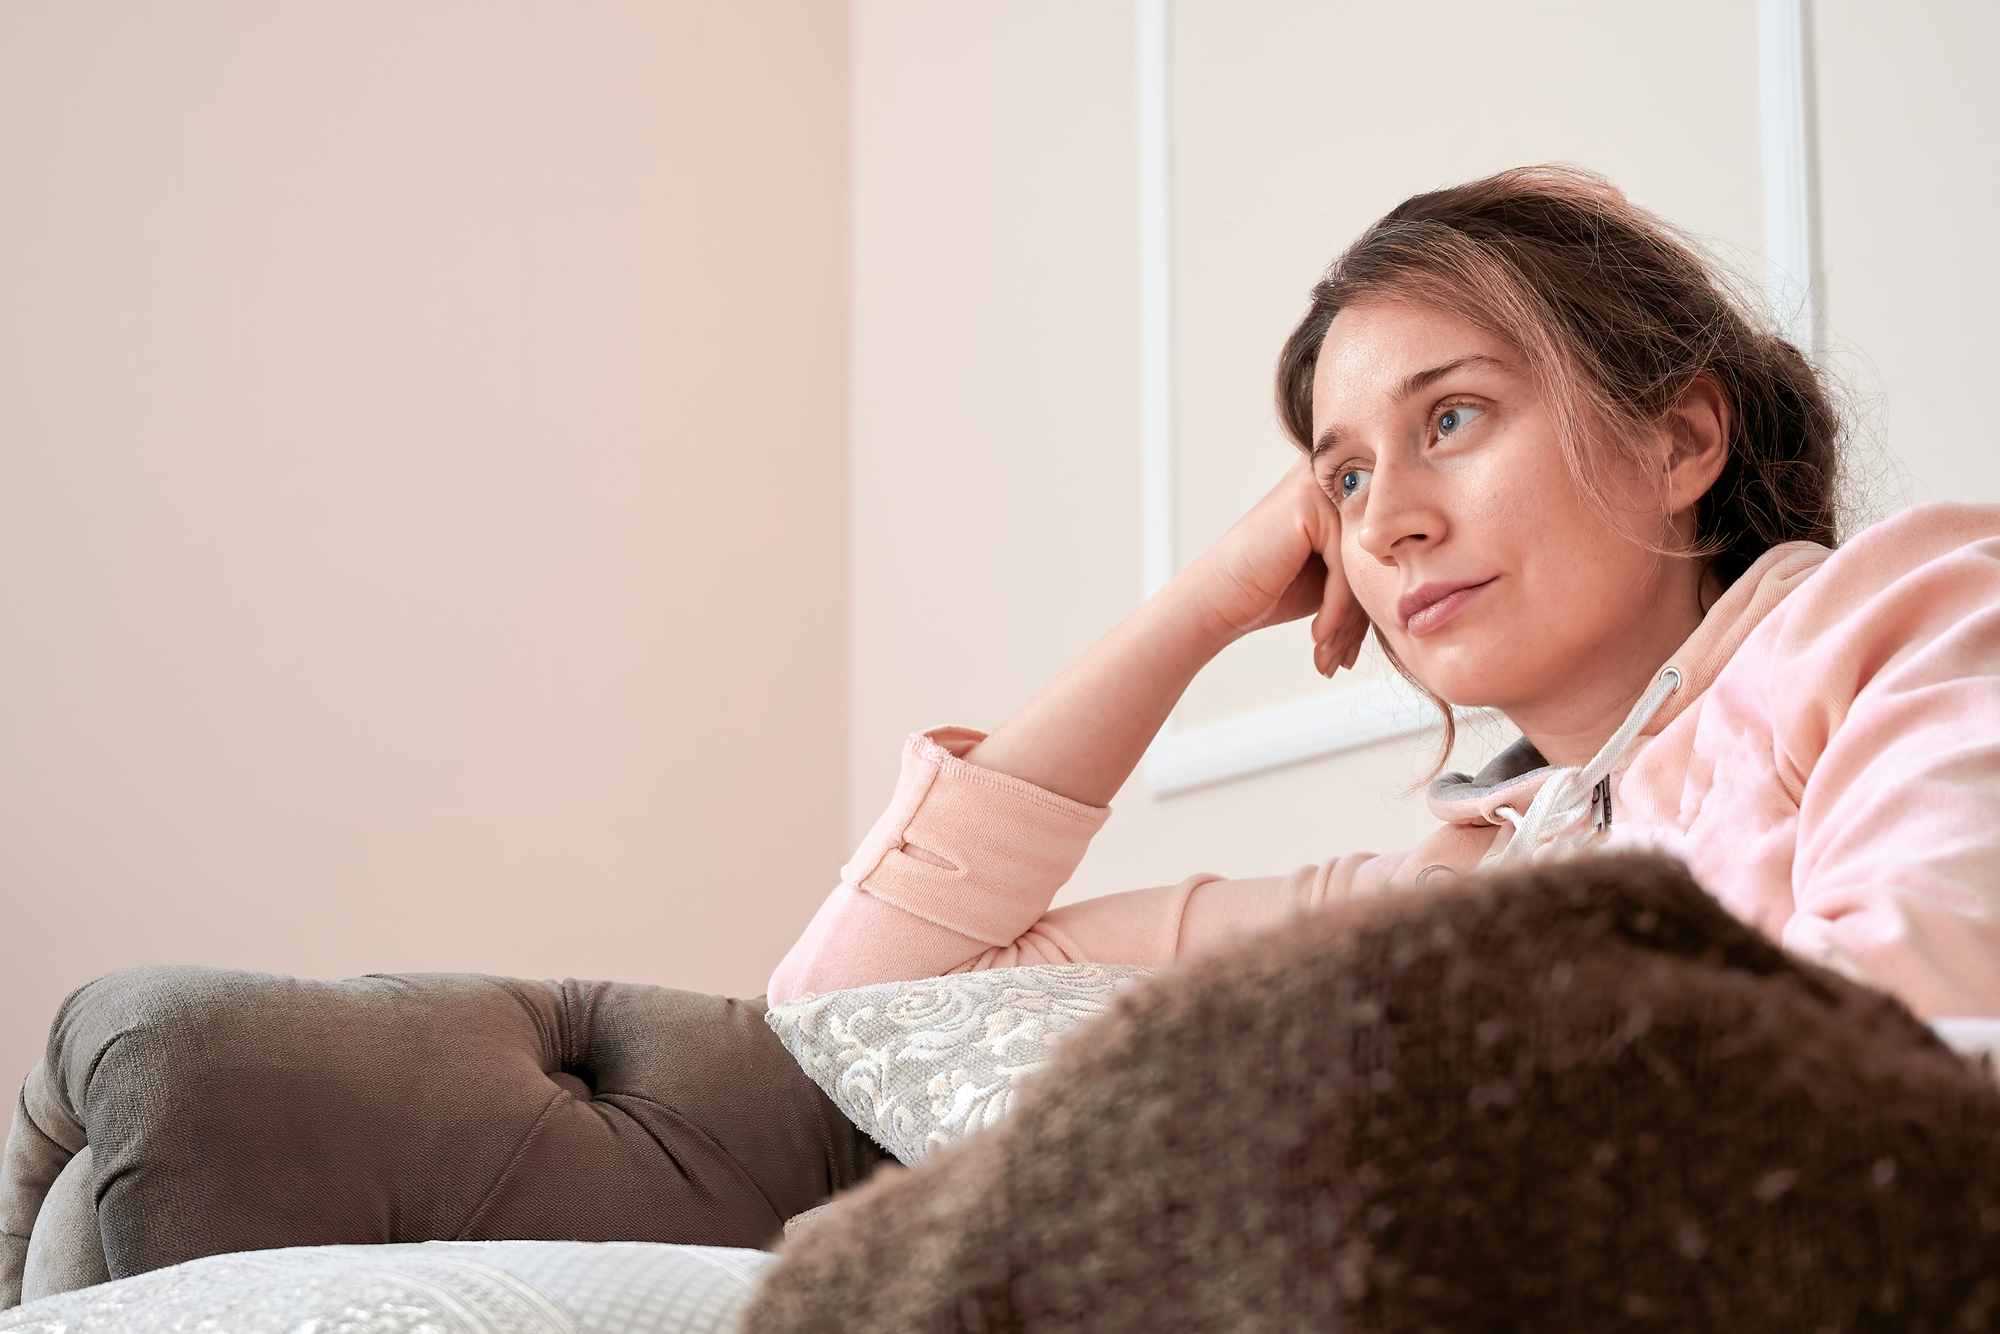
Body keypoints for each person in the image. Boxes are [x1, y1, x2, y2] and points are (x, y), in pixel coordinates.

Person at [771, 164, 2000, 1021]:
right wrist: (1198, 604)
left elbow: (1907, 1052)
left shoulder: (1899, 626)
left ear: (1677, 441)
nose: (1390, 520)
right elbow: (856, 1004)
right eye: (1344, 477)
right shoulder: (1438, 896)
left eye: (1450, 416)